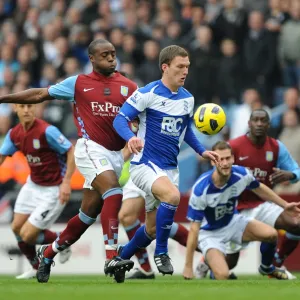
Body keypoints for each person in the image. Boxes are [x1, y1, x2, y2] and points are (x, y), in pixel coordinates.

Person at [0, 38, 137, 283]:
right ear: (92, 59)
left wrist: (135, 129)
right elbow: (41, 93)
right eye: (104, 55)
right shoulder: (78, 83)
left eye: (113, 54)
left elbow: (137, 119)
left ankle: (48, 253)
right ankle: (111, 257)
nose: (110, 58)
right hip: (89, 149)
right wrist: (3, 99)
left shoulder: (128, 86)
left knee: (87, 216)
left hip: (115, 155)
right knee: (114, 193)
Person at [113, 45, 219, 276]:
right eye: (180, 67)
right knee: (172, 197)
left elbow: (186, 130)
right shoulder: (147, 93)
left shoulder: (187, 99)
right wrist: (130, 138)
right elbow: (120, 120)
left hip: (170, 169)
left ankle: (120, 258)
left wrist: (202, 151)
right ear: (165, 67)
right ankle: (161, 253)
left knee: (150, 229)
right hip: (144, 164)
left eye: (187, 67)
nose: (185, 71)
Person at [197, 109, 300, 279]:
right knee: (229, 264)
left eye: (263, 121)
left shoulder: (276, 147)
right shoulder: (235, 146)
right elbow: (217, 171)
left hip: (263, 205)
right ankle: (207, 263)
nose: (259, 124)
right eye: (256, 120)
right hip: (236, 209)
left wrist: (291, 175)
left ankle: (274, 264)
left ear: (268, 124)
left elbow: (296, 171)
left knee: (297, 224)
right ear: (249, 123)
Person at [0, 104, 75, 279]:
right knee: (17, 227)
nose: (26, 110)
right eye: (22, 106)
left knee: (28, 234)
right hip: (32, 185)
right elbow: (2, 156)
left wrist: (66, 182)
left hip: (53, 189)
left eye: (30, 106)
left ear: (35, 109)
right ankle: (35, 267)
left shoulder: (47, 131)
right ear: (15, 109)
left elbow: (71, 151)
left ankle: (62, 242)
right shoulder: (14, 134)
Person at [119, 177, 192, 279]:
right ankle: (146, 269)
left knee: (154, 227)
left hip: (158, 169)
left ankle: (209, 249)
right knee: (126, 217)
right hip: (138, 168)